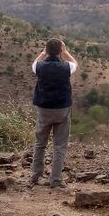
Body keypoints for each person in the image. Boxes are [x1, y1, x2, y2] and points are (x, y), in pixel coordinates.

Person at [30, 38, 78, 188]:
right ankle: (55, 179)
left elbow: (34, 63)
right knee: (60, 145)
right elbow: (76, 63)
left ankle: (35, 176)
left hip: (43, 109)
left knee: (40, 143)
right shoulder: (67, 67)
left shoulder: (39, 66)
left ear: (46, 50)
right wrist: (66, 52)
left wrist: (43, 52)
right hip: (62, 110)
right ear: (60, 51)